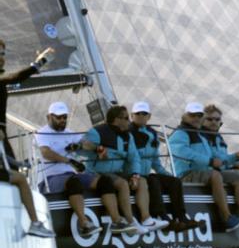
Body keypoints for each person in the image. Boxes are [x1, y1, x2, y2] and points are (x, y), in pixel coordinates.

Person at [37, 102, 131, 238]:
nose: (62, 120)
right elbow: (45, 152)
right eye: (59, 117)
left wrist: (97, 148)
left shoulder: (69, 132)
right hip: (50, 178)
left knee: (104, 181)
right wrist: (69, 161)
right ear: (49, 117)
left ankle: (117, 221)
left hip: (71, 174)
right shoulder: (42, 132)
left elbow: (85, 143)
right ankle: (84, 224)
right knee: (74, 182)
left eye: (64, 117)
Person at [169, 102, 239, 231]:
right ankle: (226, 218)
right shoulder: (180, 133)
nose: (196, 118)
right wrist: (209, 161)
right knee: (215, 175)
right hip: (187, 174)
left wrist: (233, 158)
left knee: (238, 177)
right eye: (193, 115)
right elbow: (181, 152)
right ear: (185, 116)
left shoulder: (200, 136)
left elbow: (215, 155)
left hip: (204, 172)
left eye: (199, 115)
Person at [82, 105, 168, 233]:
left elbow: (134, 158)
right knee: (122, 184)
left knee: (142, 181)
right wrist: (97, 149)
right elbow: (81, 148)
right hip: (98, 173)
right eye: (126, 118)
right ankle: (130, 222)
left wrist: (135, 175)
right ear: (117, 120)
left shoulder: (128, 136)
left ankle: (146, 219)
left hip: (116, 172)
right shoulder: (97, 132)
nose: (129, 121)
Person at [128, 101, 198, 232]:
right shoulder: (128, 133)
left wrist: (169, 175)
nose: (141, 116)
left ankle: (181, 216)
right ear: (132, 116)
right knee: (153, 180)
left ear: (149, 116)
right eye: (138, 113)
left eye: (144, 114)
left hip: (145, 174)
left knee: (175, 181)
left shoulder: (152, 134)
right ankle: (163, 217)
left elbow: (156, 162)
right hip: (133, 174)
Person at [1, 40, 53, 161]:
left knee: (16, 176)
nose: (1, 58)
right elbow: (14, 77)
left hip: (2, 136)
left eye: (3, 54)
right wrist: (38, 63)